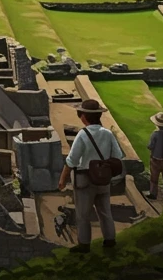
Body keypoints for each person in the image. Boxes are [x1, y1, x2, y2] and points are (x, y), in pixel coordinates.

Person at [57, 98, 122, 251]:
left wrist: (62, 179)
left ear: (83, 116)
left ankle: (84, 244)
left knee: (83, 214)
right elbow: (117, 155)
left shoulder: (83, 135)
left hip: (85, 178)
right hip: (103, 178)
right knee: (105, 211)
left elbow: (71, 160)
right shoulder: (108, 134)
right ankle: (110, 240)